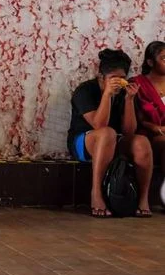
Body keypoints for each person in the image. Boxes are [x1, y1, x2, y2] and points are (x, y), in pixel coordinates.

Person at [68, 49, 153, 218]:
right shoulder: (85, 91)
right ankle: (96, 193)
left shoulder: (123, 92)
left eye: (121, 78)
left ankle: (143, 198)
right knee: (107, 133)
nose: (118, 82)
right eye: (113, 78)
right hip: (83, 142)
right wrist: (106, 95)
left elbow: (129, 131)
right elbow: (99, 125)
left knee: (141, 142)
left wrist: (129, 100)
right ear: (101, 77)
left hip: (113, 141)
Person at [132, 41, 165, 171]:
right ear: (150, 62)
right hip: (148, 138)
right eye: (164, 58)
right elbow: (140, 121)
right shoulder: (138, 84)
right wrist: (158, 128)